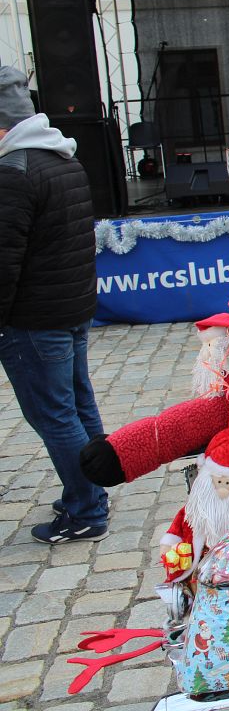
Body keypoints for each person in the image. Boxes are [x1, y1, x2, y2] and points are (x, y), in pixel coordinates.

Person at [0, 66, 108, 543]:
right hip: (69, 310)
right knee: (78, 406)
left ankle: (87, 509)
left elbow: (4, 261)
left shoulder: (14, 171)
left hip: (33, 319)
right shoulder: (62, 157)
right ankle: (95, 490)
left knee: (55, 415)